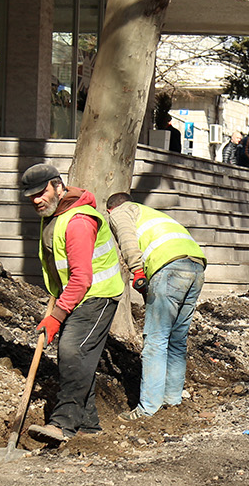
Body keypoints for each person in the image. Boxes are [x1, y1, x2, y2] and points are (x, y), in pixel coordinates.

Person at [20, 163, 124, 443]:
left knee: (72, 350)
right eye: (31, 196)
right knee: (78, 356)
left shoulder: (78, 221)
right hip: (76, 295)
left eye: (41, 193)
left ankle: (63, 423)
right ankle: (88, 426)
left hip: (97, 295)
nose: (36, 200)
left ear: (57, 186)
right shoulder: (54, 214)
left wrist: (56, 316)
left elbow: (81, 278)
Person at [105, 193, 208, 418]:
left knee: (155, 341)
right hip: (196, 266)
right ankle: (172, 400)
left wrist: (137, 271)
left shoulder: (121, 212)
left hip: (169, 268)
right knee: (177, 339)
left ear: (111, 209)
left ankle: (148, 408)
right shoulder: (153, 214)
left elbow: (126, 239)